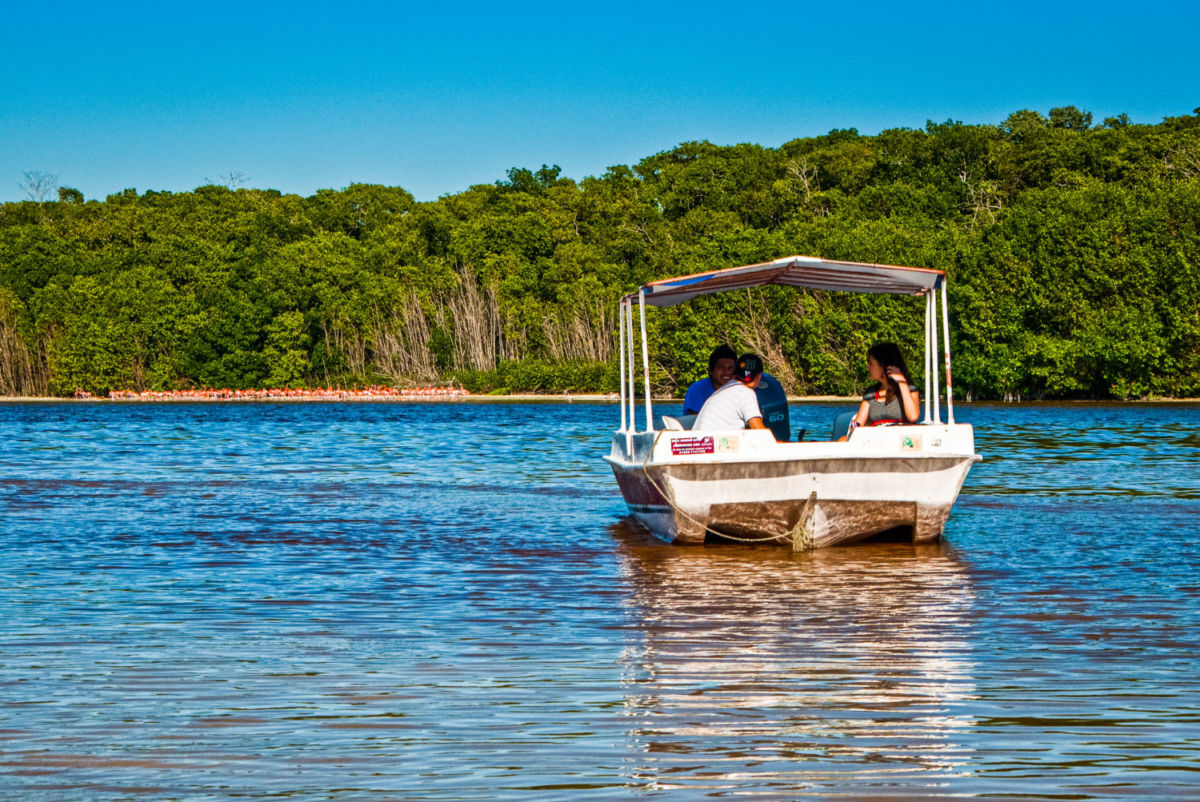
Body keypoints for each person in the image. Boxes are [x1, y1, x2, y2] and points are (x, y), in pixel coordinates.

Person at [844, 342, 920, 438]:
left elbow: (913, 417)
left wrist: (902, 382)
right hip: (875, 440)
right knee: (843, 440)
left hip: (900, 440)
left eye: (871, 364)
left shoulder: (909, 389)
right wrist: (854, 426)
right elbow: (857, 424)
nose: (868, 368)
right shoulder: (871, 393)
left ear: (882, 365)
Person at [693, 353, 771, 432]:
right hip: (712, 442)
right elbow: (759, 431)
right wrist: (776, 443)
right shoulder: (745, 392)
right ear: (759, 376)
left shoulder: (724, 390)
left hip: (700, 442)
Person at [682, 345, 737, 415]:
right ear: (710, 370)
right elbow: (697, 420)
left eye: (730, 368)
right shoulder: (698, 388)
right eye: (721, 367)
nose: (726, 372)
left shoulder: (740, 390)